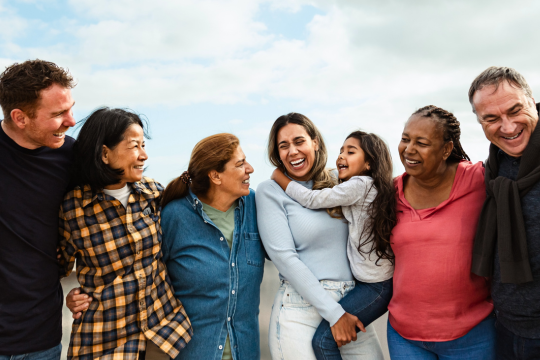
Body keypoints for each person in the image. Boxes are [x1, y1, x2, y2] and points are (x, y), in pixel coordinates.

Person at [59, 108, 192, 360]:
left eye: (143, 145)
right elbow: (57, 266)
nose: (144, 155)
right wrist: (72, 296)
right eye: (134, 146)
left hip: (161, 334)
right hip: (103, 341)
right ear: (105, 153)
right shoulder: (73, 207)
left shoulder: (153, 193)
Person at [256, 113, 384, 360]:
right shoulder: (270, 191)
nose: (292, 151)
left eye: (299, 141)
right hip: (300, 311)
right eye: (284, 146)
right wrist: (334, 314)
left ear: (315, 142)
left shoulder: (340, 181)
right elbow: (284, 258)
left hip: (351, 303)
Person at [387, 105, 495, 359]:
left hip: (472, 336)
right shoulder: (390, 193)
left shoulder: (478, 179)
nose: (409, 149)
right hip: (405, 338)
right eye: (405, 139)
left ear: (446, 149)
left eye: (421, 142)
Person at [159, 133, 265, 359]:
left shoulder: (257, 208)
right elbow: (145, 276)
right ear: (216, 176)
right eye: (240, 164)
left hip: (246, 353)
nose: (250, 169)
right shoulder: (174, 216)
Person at [0, 59, 76, 360]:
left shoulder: (71, 157)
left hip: (40, 338)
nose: (71, 121)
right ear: (20, 117)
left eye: (70, 109)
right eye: (58, 114)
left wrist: (91, 290)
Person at [469, 67, 540, 359]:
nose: (508, 127)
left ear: (532, 101)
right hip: (510, 327)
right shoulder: (494, 168)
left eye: (515, 111)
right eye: (492, 118)